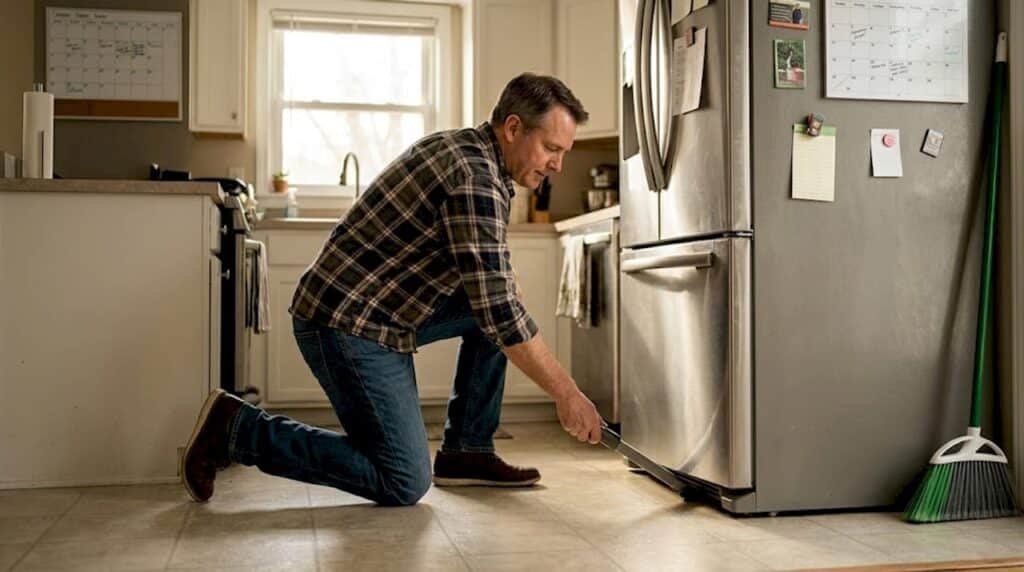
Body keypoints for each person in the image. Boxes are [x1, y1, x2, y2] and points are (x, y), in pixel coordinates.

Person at [181, 73, 605, 506]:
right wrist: (567, 395)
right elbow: (500, 311)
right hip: (345, 324)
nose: (557, 165)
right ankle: (237, 428)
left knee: (500, 307)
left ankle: (466, 452)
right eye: (552, 148)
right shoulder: (473, 176)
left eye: (563, 153)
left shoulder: (476, 156)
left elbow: (494, 297)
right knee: (402, 479)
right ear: (513, 128)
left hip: (377, 312)